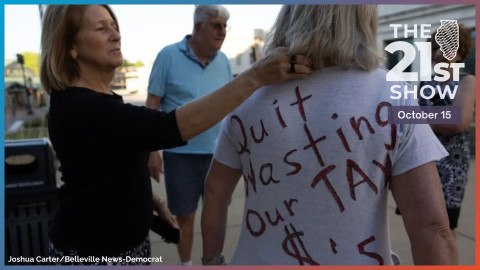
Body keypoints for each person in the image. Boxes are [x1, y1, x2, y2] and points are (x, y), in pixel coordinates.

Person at [40, 5, 312, 265]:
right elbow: (165, 127)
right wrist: (255, 76)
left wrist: (149, 202)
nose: (116, 34)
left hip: (125, 247)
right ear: (70, 45)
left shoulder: (102, 101)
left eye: (114, 26)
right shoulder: (80, 106)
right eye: (101, 28)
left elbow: (103, 170)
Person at [201, 5, 457, 265]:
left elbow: (215, 192)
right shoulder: (393, 94)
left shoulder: (248, 98)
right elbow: (431, 227)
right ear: (364, 19)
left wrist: (211, 260)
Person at [145, 5, 232, 266]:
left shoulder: (224, 60)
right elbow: (153, 102)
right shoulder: (168, 55)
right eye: (216, 26)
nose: (222, 32)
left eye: (225, 27)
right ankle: (186, 265)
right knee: (185, 216)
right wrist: (152, 152)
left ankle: (212, 262)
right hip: (181, 155)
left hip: (220, 154)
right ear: (197, 27)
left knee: (217, 215)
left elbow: (230, 104)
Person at [418, 24, 475, 238]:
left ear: (460, 53)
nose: (436, 54)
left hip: (449, 170)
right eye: (433, 48)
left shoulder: (467, 81)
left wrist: (408, 114)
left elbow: (457, 121)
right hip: (420, 164)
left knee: (444, 233)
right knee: (422, 230)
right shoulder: (425, 82)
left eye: (443, 47)